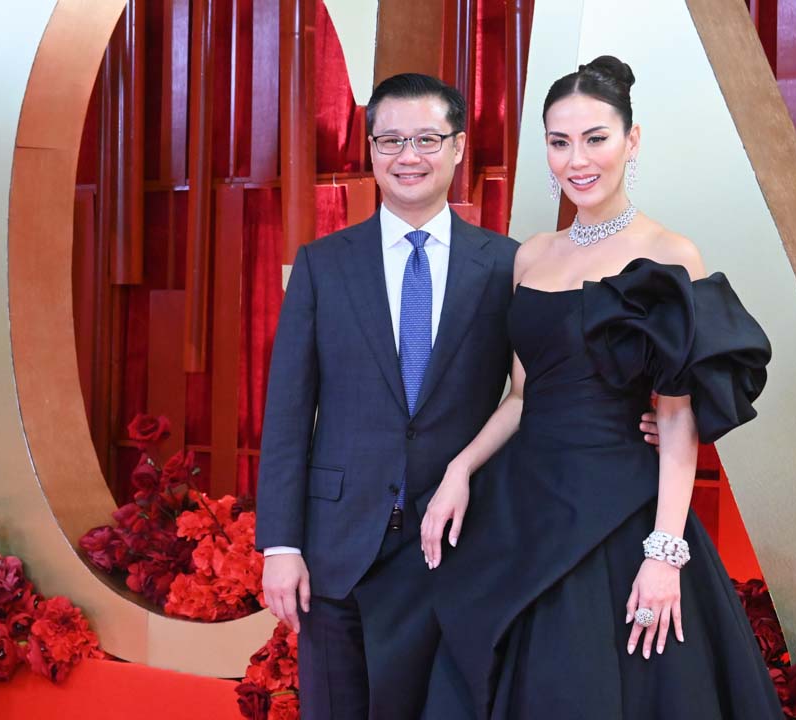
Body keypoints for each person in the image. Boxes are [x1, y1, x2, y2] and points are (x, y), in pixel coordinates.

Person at [254, 72, 660, 720]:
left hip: (455, 547)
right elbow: (286, 415)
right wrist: (281, 547)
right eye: (390, 140)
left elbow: (541, 387)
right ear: (370, 148)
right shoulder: (322, 265)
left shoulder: (506, 264)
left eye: (426, 139)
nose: (407, 156)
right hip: (337, 546)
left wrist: (645, 416)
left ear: (459, 146)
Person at [417, 56, 783, 719]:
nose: (577, 160)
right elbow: (524, 396)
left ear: (631, 141)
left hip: (618, 509)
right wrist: (460, 469)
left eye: (596, 138)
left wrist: (665, 553)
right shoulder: (531, 255)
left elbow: (676, 419)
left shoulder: (670, 255)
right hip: (524, 504)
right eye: (559, 142)